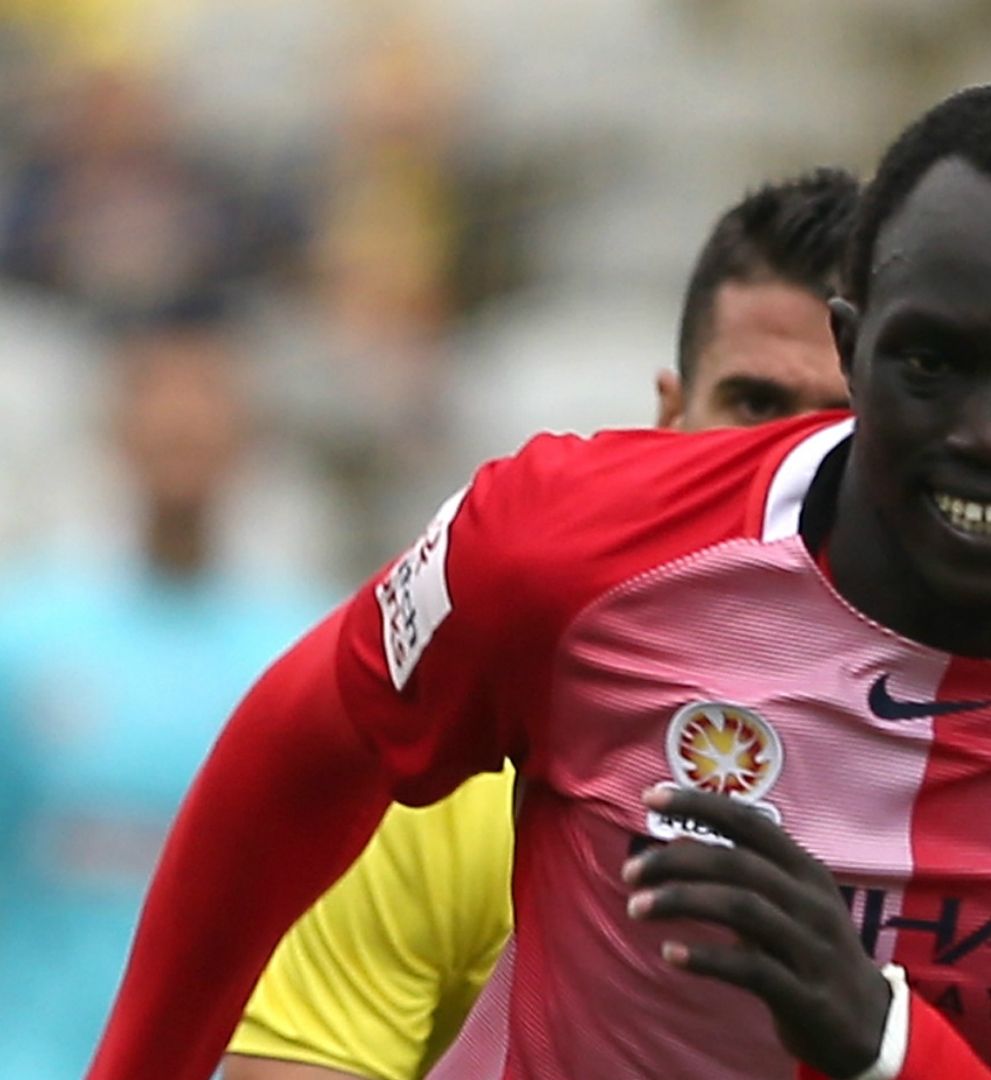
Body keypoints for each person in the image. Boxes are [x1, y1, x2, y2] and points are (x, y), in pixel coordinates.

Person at [90, 81, 991, 1080]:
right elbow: (301, 742)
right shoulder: (562, 550)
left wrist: (882, 1037)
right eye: (933, 364)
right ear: (854, 345)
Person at [223, 167, 861, 1080]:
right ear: (667, 418)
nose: (785, 467)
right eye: (754, 406)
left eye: (837, 426)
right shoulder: (466, 772)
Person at [0, 319, 323, 1079]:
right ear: (116, 427)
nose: (183, 421)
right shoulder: (22, 634)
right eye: (158, 395)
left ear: (249, 432)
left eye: (207, 396)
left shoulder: (307, 652)